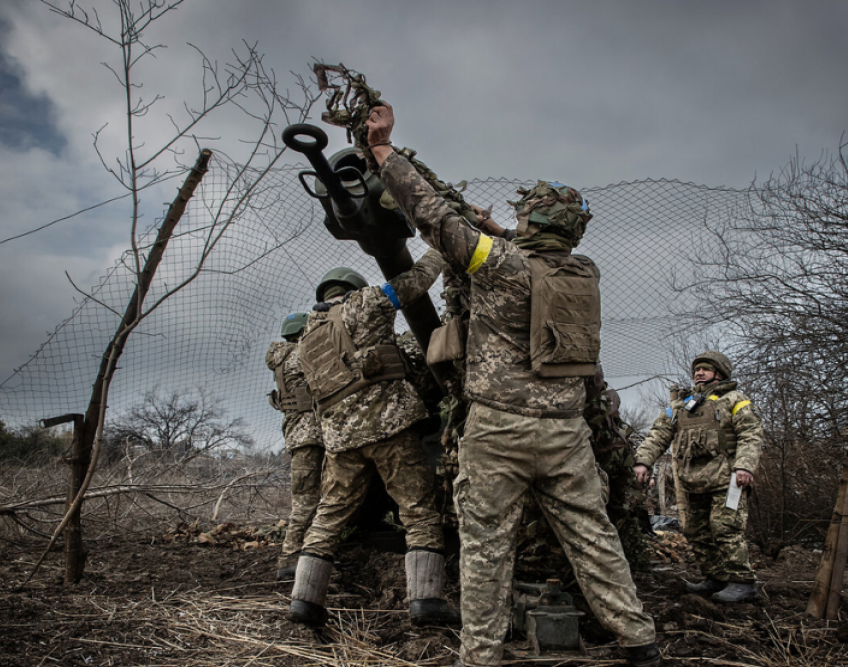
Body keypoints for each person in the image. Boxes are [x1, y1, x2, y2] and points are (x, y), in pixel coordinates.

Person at [366, 103, 661, 667]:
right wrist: (498, 228)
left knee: (485, 545)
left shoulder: (497, 264)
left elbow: (429, 214)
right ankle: (639, 640)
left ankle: (479, 655)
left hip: (498, 429)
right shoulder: (584, 272)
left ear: (532, 225)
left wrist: (383, 150)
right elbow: (530, 252)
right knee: (593, 538)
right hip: (566, 434)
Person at [288, 260, 460, 627]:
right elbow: (413, 283)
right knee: (418, 510)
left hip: (339, 442)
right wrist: (440, 246)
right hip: (389, 429)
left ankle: (304, 601)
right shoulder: (364, 302)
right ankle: (427, 600)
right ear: (353, 288)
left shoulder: (305, 336)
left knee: (328, 517)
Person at [633, 351, 765, 603]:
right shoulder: (681, 406)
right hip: (692, 482)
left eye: (705, 368)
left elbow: (751, 434)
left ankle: (742, 582)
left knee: (725, 528)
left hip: (728, 481)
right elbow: (658, 435)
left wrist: (745, 467)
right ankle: (715, 578)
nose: (699, 373)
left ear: (720, 373)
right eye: (697, 369)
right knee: (695, 531)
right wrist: (642, 462)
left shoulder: (735, 400)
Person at [265, 312, 324, 582]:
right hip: (311, 435)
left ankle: (299, 556)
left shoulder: (281, 358)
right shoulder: (299, 355)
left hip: (299, 436)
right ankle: (290, 559)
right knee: (307, 500)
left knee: (307, 497)